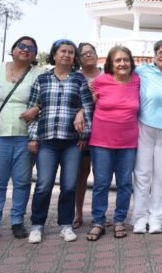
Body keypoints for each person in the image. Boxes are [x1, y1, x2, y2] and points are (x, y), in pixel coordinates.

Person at [26, 39, 94, 244]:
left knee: (69, 185)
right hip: (47, 141)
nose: (66, 55)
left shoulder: (79, 80)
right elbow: (33, 111)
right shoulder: (42, 80)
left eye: (71, 52)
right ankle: (37, 225)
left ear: (74, 57)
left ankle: (65, 225)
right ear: (54, 54)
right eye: (62, 51)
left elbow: (88, 108)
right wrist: (32, 137)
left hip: (72, 142)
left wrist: (84, 135)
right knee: (43, 185)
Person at [0, 36, 44, 244]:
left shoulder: (39, 74)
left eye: (31, 48)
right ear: (13, 49)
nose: (26, 50)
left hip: (26, 135)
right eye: (22, 46)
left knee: (22, 181)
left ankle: (17, 221)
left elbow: (46, 99)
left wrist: (37, 109)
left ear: (35, 54)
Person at [85, 46, 140, 241]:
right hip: (101, 141)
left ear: (131, 62)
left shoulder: (137, 80)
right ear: (110, 63)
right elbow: (87, 104)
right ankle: (98, 222)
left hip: (128, 142)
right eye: (118, 60)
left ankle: (119, 220)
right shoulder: (100, 81)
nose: (122, 63)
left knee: (125, 183)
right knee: (101, 183)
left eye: (126, 59)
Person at [132, 40, 162, 234]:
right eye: (160, 52)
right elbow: (119, 76)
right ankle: (139, 218)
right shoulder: (142, 71)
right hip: (144, 129)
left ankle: (157, 219)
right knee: (142, 175)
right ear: (154, 55)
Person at [73, 42, 101, 230]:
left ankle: (99, 214)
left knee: (101, 174)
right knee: (81, 173)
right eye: (84, 54)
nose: (89, 55)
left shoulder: (107, 75)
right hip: (81, 131)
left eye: (91, 52)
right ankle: (78, 213)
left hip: (103, 131)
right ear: (78, 59)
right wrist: (82, 108)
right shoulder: (74, 77)